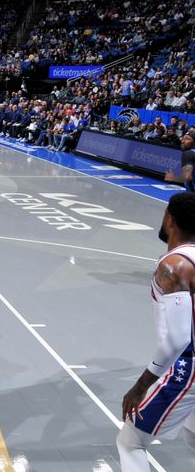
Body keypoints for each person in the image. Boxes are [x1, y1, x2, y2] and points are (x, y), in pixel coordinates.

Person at [118, 192, 195, 471]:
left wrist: (141, 386)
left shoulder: (174, 266)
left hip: (187, 369)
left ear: (170, 220)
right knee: (193, 435)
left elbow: (178, 339)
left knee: (131, 442)